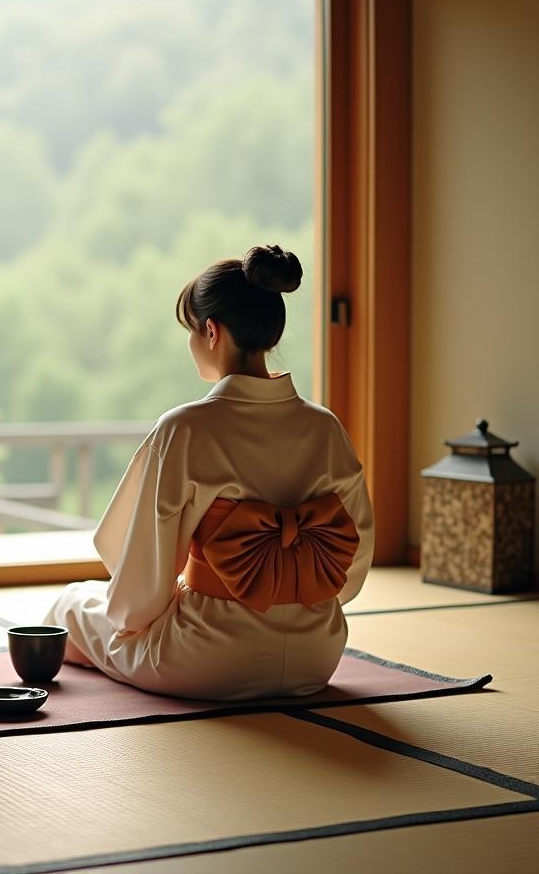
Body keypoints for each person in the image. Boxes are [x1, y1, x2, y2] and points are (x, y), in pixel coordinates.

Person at [45, 245, 374, 700]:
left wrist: (141, 615)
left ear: (212, 332)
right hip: (317, 656)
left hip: (209, 657)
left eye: (191, 331)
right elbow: (353, 559)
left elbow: (140, 580)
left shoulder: (185, 428)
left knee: (70, 606)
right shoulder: (325, 427)